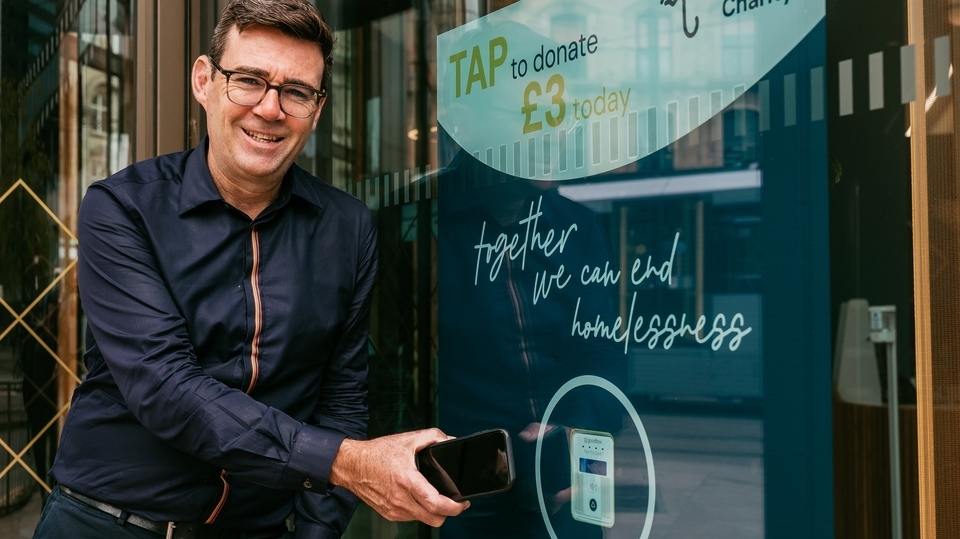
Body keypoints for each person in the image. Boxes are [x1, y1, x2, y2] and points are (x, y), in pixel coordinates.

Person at [32, 1, 467, 538]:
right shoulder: (122, 208)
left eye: (296, 91)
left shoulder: (348, 227)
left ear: (318, 107)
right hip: (105, 523)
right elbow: (166, 388)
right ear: (203, 81)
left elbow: (343, 400)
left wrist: (313, 533)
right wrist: (350, 463)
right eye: (249, 80)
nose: (270, 108)